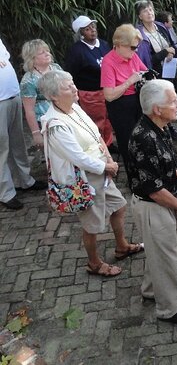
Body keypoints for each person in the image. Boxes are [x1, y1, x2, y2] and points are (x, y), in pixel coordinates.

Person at [40, 70, 142, 277]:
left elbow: (96, 135)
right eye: (67, 87)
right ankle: (94, 263)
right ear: (53, 96)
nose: (74, 88)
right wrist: (106, 167)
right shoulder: (55, 125)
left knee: (119, 207)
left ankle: (121, 246)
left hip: (101, 169)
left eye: (72, 83)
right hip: (85, 179)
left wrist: (109, 158)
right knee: (92, 225)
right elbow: (77, 157)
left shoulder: (75, 108)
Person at [127, 79, 177, 326]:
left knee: (158, 252)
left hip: (168, 201)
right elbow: (154, 189)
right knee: (167, 257)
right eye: (173, 101)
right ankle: (169, 309)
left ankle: (149, 290)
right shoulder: (143, 138)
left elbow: (174, 165)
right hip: (155, 207)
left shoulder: (161, 126)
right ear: (157, 109)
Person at [0, 37, 46, 210]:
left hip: (12, 96)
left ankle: (24, 180)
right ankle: (6, 192)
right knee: (1, 150)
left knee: (17, 144)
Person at [134, 0, 177, 141]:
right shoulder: (140, 34)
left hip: (169, 69)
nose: (149, 13)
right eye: (145, 11)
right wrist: (164, 52)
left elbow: (174, 44)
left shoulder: (161, 27)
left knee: (171, 100)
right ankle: (163, 129)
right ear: (139, 16)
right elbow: (145, 60)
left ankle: (170, 128)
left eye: (150, 10)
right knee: (160, 103)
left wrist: (172, 52)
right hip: (155, 73)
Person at [100, 24, 147, 172]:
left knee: (142, 137)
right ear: (119, 45)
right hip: (120, 105)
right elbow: (109, 95)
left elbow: (144, 70)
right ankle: (133, 174)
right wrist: (129, 82)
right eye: (132, 47)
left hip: (136, 100)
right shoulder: (108, 62)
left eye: (136, 47)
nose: (135, 50)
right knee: (127, 141)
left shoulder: (132, 55)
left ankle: (145, 169)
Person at [65, 16, 114, 148]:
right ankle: (98, 145)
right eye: (87, 29)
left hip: (107, 89)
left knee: (109, 119)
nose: (92, 31)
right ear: (81, 33)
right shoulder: (76, 51)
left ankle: (108, 142)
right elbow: (71, 72)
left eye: (93, 27)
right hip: (90, 93)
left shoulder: (103, 45)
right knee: (96, 120)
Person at [20, 39, 64, 148]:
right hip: (46, 121)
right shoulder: (29, 80)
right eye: (41, 52)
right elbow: (29, 110)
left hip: (64, 112)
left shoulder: (56, 68)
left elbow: (69, 89)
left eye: (47, 50)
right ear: (32, 58)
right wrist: (36, 133)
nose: (47, 53)